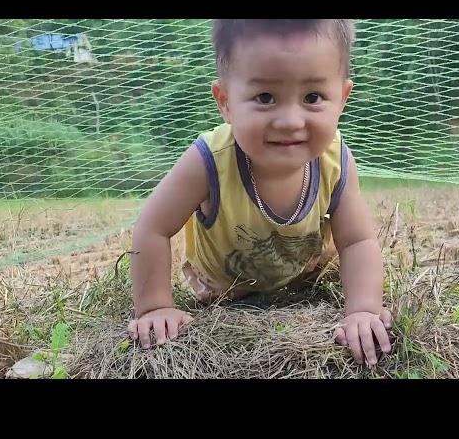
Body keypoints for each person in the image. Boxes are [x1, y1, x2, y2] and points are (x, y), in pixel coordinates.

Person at [128, 19, 392, 366]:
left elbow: (357, 241)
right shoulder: (208, 161)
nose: (290, 121)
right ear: (225, 102)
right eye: (265, 97)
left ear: (342, 98)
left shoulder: (336, 161)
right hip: (223, 291)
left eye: (313, 97)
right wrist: (156, 306)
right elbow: (152, 227)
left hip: (302, 278)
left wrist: (363, 310)